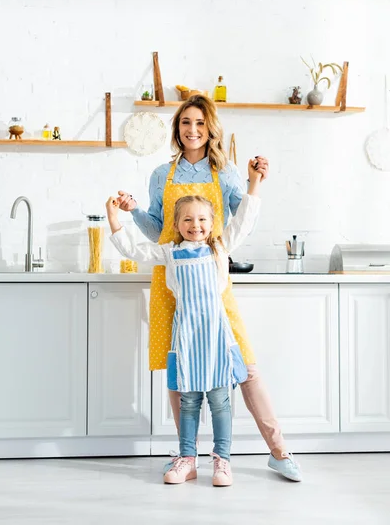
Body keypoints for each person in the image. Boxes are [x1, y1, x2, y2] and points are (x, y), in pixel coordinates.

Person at [115, 95, 302, 482]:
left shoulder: (227, 173)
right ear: (177, 128)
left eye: (200, 122)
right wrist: (133, 212)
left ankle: (279, 450)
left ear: (210, 127)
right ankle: (188, 458)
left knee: (244, 366)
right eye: (186, 122)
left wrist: (255, 181)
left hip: (213, 278)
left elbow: (238, 225)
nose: (193, 130)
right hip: (172, 280)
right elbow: (158, 228)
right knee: (178, 369)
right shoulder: (160, 175)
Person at [106, 159, 261, 486]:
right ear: (176, 224)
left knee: (219, 400)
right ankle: (187, 459)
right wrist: (114, 219)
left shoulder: (219, 248)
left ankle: (222, 461)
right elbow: (133, 251)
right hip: (186, 339)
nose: (196, 225)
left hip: (217, 338)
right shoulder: (169, 253)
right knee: (188, 400)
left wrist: (254, 184)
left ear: (212, 222)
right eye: (188, 219)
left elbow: (244, 221)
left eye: (203, 219)